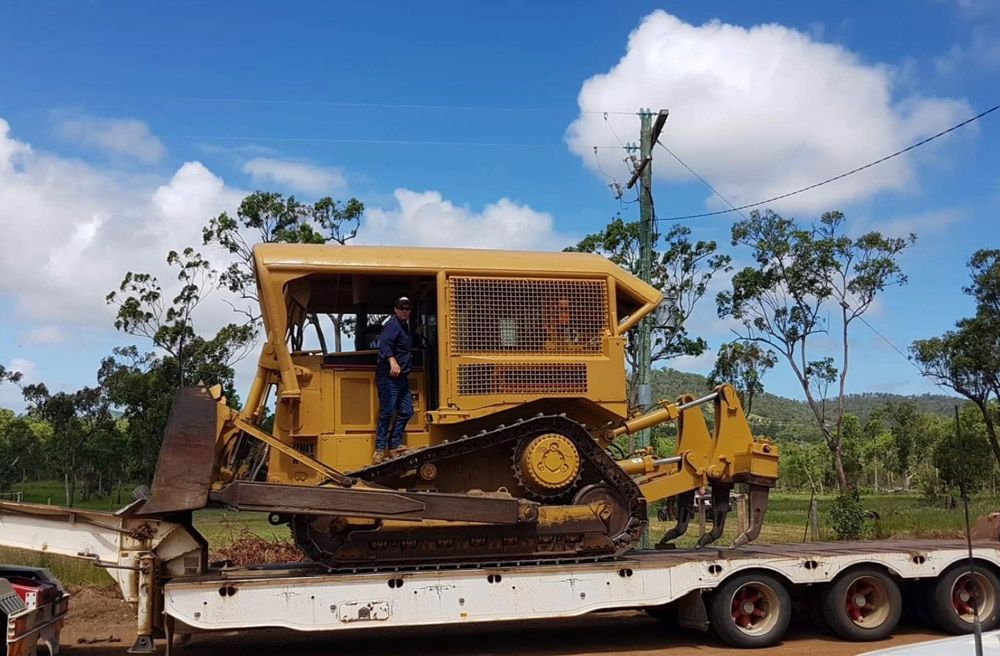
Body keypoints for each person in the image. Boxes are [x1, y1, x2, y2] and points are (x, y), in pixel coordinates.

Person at [373, 296, 415, 464]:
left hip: (402, 377)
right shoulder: (393, 325)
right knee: (387, 412)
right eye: (402, 308)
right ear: (395, 310)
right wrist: (392, 361)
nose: (405, 311)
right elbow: (384, 344)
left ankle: (395, 444)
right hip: (388, 376)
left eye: (407, 308)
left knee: (407, 411)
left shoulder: (405, 327)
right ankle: (379, 450)